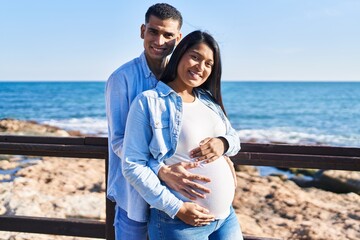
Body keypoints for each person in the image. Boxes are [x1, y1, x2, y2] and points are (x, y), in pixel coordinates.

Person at [106, 3, 233, 239]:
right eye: (154, 31)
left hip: (196, 206)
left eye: (168, 35)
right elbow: (119, 142)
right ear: (143, 31)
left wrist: (223, 145)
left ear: (178, 39)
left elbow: (219, 131)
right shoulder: (122, 79)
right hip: (134, 196)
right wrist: (161, 171)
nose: (160, 41)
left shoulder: (188, 81)